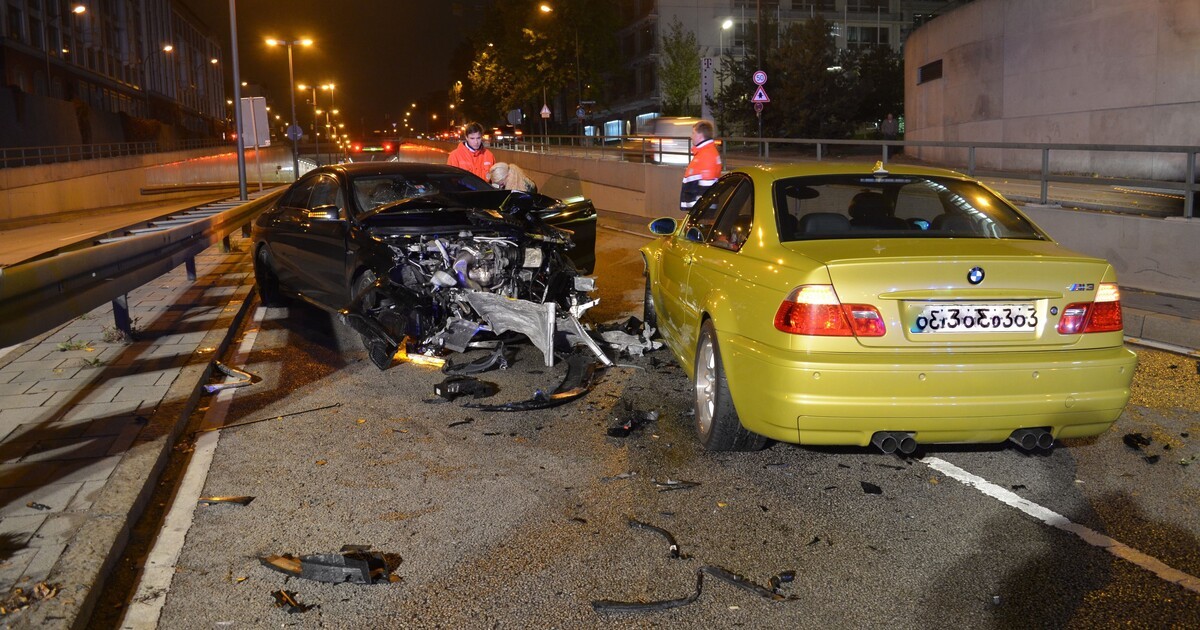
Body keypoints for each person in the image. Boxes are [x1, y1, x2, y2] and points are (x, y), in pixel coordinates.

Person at [679, 120, 721, 212]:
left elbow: (706, 190)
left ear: (700, 135)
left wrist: (699, 214)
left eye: (693, 133)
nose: (691, 136)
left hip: (702, 212)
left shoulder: (707, 155)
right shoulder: (703, 153)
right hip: (699, 210)